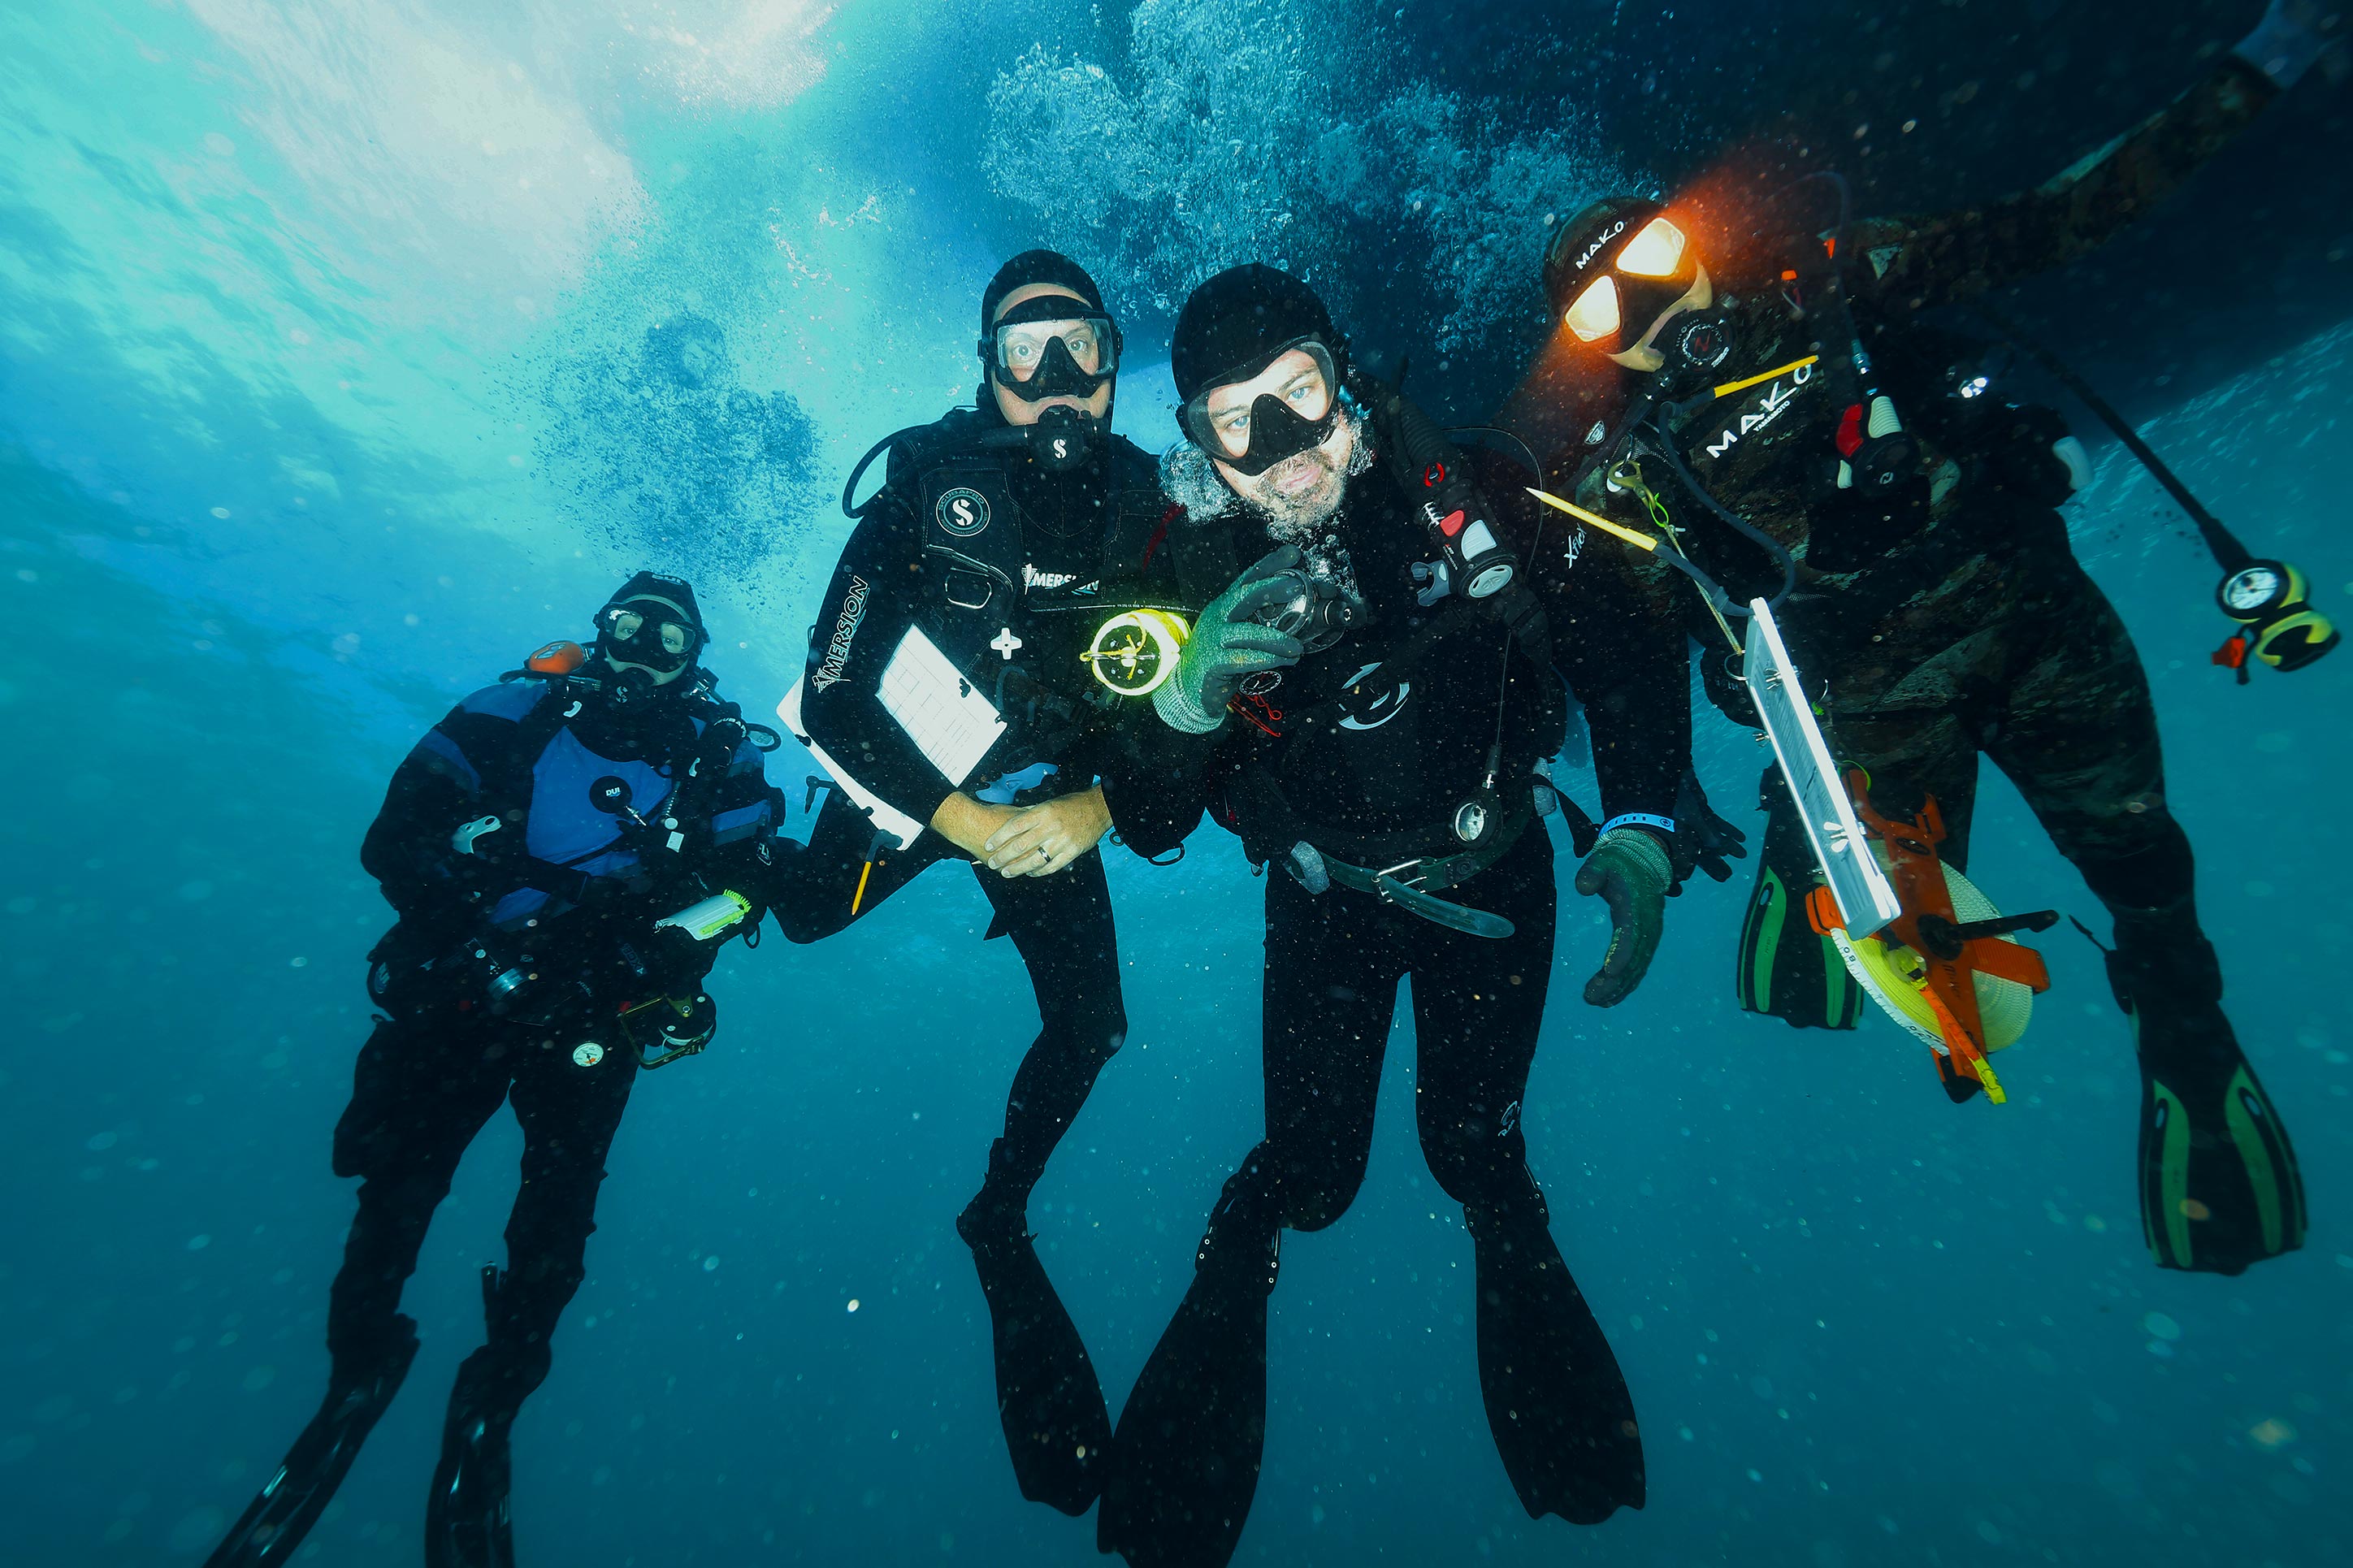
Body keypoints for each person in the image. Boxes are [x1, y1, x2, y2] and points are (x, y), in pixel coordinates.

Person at [1504, 0, 2334, 1275]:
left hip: (2032, 626)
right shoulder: (1637, 474)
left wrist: (2255, 71)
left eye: (1659, 255)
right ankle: (1830, 849)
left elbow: (2064, 215)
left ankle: (2188, 1040)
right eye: (1615, 310)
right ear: (1599, 348)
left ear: (1704, 244)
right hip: (1886, 707)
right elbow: (1675, 657)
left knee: (2147, 882)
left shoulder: (1844, 279)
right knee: (1913, 940)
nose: (1657, 305)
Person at [1096, 264, 1697, 1568]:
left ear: (1349, 385)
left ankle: (1513, 1241)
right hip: (1329, 909)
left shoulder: (1465, 494)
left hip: (1500, 881)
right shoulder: (1190, 569)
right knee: (1310, 1181)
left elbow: (1622, 647)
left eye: (1298, 396)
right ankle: (1233, 1272)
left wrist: (1645, 824)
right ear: (1198, 449)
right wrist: (1187, 700)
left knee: (1472, 1149)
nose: (1280, 449)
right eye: (1230, 422)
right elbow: (1144, 823)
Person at [205, 574, 787, 1568]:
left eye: (668, 641)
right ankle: (362, 1362)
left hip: (594, 1016)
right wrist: (481, 942)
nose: (642, 654)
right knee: (398, 1178)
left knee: (555, 1222)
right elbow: (391, 840)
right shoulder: (509, 713)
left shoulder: (717, 758)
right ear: (597, 633)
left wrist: (653, 961)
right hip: (467, 995)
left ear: (694, 659)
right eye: (628, 629)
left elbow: (747, 889)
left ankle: (498, 1395)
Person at [770, 250, 1221, 1519]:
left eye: (1084, 347)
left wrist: (1095, 808)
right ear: (988, 372)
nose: (1062, 381)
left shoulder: (1158, 506)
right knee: (802, 912)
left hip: (1045, 810)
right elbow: (835, 687)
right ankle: (728, 846)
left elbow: (1196, 734)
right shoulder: (925, 488)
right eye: (1029, 356)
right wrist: (956, 815)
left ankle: (998, 1217)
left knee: (1096, 1026)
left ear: (1116, 363)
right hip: (924, 787)